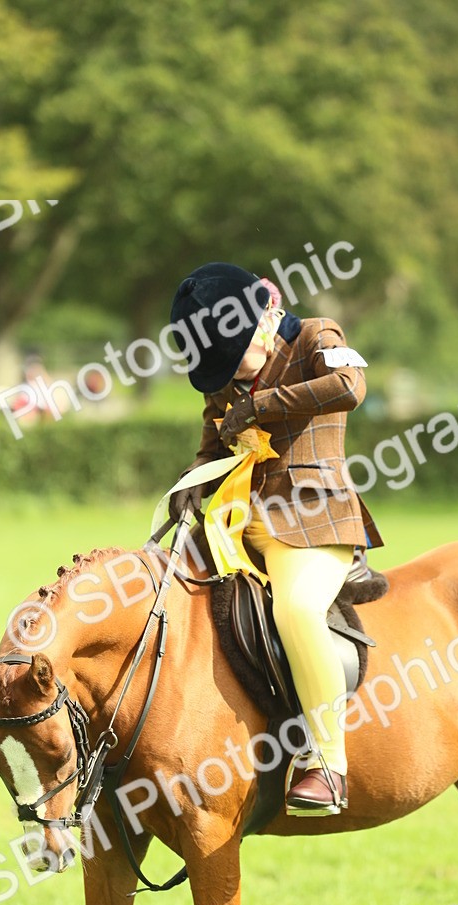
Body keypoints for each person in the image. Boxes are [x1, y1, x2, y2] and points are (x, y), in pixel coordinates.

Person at [169, 262, 383, 815]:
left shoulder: (317, 336)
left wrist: (261, 405)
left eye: (232, 357)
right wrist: (190, 481)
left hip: (313, 521)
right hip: (235, 525)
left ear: (265, 315)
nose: (229, 379)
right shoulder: (228, 380)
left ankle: (326, 764)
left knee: (296, 611)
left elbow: (349, 387)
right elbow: (213, 442)